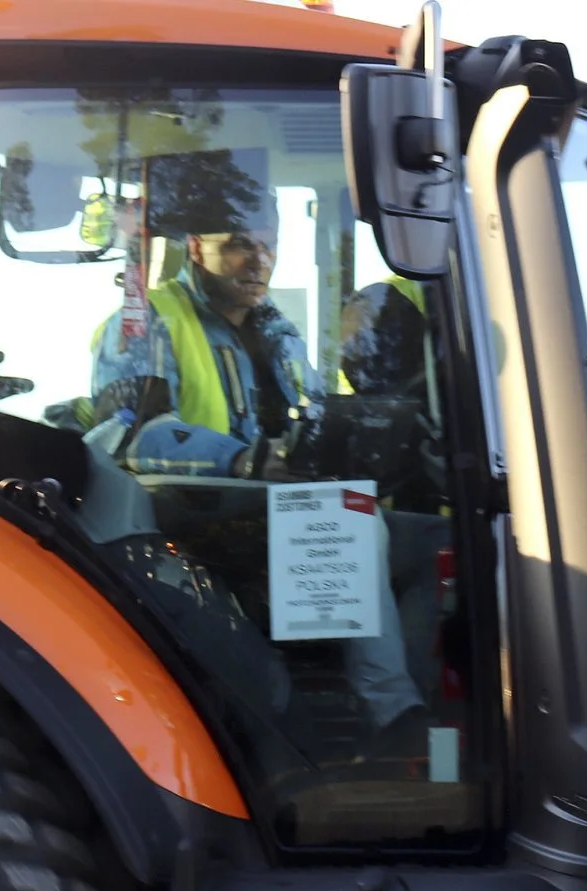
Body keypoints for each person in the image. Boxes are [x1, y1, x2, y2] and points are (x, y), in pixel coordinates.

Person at [88, 149, 428, 752]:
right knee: (351, 525)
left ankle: (434, 722)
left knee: (434, 541)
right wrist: (243, 459)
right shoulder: (148, 321)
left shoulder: (281, 333)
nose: (260, 259)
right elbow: (130, 433)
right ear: (194, 246)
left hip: (278, 512)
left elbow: (314, 416)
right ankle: (391, 720)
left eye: (268, 243)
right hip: (193, 522)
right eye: (240, 243)